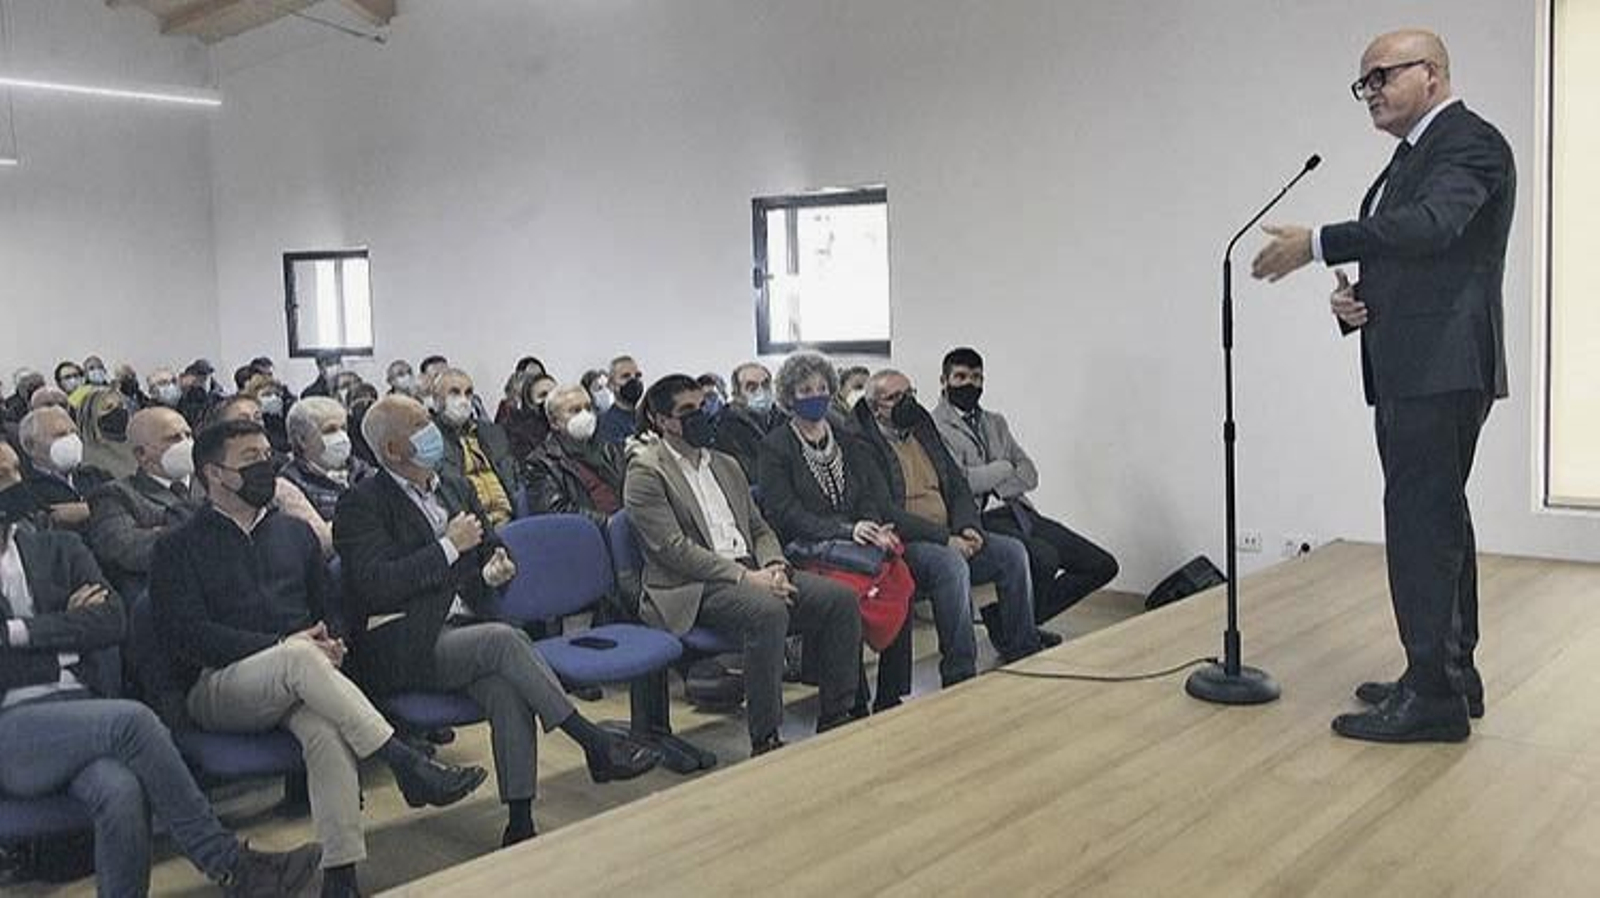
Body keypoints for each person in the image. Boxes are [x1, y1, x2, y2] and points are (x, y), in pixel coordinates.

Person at [1251, 30, 1514, 743]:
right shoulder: (1411, 159)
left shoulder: (1468, 142)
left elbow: (1432, 227)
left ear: (1431, 74)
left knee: (1421, 525)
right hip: (1415, 362)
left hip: (1441, 367)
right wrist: (1359, 301)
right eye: (1362, 83)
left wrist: (1316, 244)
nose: (1369, 92)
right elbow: (1423, 257)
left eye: (1381, 77)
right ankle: (1450, 674)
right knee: (1438, 520)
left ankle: (1434, 697)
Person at [151, 419, 488, 896]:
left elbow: (331, 604)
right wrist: (287, 646)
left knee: (326, 732)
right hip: (220, 684)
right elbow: (189, 636)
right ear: (215, 474)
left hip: (304, 680)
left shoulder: (294, 533)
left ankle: (341, 875)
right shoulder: (178, 547)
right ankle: (403, 760)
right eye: (250, 458)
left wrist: (334, 640)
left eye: (268, 453)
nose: (266, 465)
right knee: (296, 657)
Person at [0, 441, 323, 898]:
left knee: (120, 792)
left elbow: (111, 619)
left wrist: (16, 632)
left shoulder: (56, 545)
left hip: (82, 711)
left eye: (15, 471)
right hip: (13, 728)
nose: (14, 484)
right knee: (132, 721)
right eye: (1, 476)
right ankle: (231, 865)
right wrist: (65, 624)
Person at [335, 395, 659, 845]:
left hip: (468, 628)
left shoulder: (453, 485)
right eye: (419, 424)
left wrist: (494, 569)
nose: (431, 429)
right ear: (392, 450)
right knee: (505, 641)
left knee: (507, 688)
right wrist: (449, 547)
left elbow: (486, 551)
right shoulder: (361, 504)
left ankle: (520, 820)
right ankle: (592, 740)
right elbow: (377, 584)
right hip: (404, 642)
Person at [625, 375, 862, 755]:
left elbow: (758, 527)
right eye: (687, 411)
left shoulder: (726, 464)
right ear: (661, 420)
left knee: (840, 599)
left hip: (754, 569)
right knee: (767, 611)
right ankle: (765, 737)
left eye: (702, 405)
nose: (700, 415)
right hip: (692, 586)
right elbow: (672, 550)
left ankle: (837, 713)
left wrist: (775, 565)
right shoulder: (646, 472)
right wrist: (746, 577)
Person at [853, 370, 1042, 678]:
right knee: (950, 564)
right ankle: (960, 671)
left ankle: (1022, 648)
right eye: (894, 398)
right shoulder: (862, 443)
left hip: (950, 532)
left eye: (910, 393)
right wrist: (946, 539)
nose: (907, 403)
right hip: (906, 542)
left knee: (1012, 553)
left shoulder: (922, 428)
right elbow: (886, 511)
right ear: (875, 408)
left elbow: (957, 485)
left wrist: (969, 527)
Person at [758, 353, 913, 711]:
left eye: (823, 388)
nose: (816, 395)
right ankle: (853, 699)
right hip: (806, 547)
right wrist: (847, 529)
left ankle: (892, 693)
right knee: (849, 597)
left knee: (898, 577)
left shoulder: (846, 438)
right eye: (805, 389)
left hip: (854, 540)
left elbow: (867, 495)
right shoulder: (775, 446)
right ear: (789, 396)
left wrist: (874, 527)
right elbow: (786, 513)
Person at [933, 348, 1118, 631]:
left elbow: (1030, 474)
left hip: (1018, 510)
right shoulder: (936, 427)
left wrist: (994, 476)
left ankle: (1006, 622)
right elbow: (962, 482)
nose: (970, 384)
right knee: (1044, 558)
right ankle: (1019, 632)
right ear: (944, 381)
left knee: (1101, 565)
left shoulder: (995, 422)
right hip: (976, 519)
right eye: (960, 376)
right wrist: (1005, 467)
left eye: (977, 377)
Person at [85, 407, 205, 597]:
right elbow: (128, 550)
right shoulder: (115, 495)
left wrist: (163, 530)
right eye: (174, 438)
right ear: (141, 454)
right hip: (166, 594)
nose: (186, 443)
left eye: (188, 435)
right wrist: (207, 533)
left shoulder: (213, 481)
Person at [209, 396, 333, 556]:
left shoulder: (281, 482)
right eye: (243, 419)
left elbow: (320, 541)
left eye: (258, 417)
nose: (253, 423)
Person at [521, 384, 626, 528]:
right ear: (554, 422)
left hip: (625, 525)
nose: (585, 415)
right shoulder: (540, 463)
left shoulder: (607, 449)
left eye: (588, 408)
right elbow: (557, 512)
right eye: (575, 411)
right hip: (591, 535)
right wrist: (609, 523)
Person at [428, 369, 520, 527]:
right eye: (454, 393)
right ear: (436, 400)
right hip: (472, 527)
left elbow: (513, 480)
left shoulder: (493, 433)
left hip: (511, 519)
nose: (463, 400)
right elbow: (448, 492)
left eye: (468, 393)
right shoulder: (431, 440)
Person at [280, 397, 373, 524]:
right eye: (330, 430)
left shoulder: (365, 471)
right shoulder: (290, 484)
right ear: (301, 440)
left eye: (344, 428)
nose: (342, 437)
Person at [17, 407, 107, 533]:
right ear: (31, 445)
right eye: (60, 435)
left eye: (74, 432)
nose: (71, 440)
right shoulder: (23, 490)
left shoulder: (95, 475)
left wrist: (89, 510)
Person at [715, 362, 785, 485]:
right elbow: (746, 472)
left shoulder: (784, 419)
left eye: (765, 385)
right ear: (737, 395)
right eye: (751, 387)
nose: (761, 391)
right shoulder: (726, 426)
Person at [79, 387, 138, 481]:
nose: (118, 411)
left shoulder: (137, 445)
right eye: (108, 408)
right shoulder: (90, 464)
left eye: (120, 406)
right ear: (91, 416)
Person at [501, 373, 557, 462]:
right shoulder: (518, 435)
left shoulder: (568, 428)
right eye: (543, 395)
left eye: (555, 393)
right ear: (530, 403)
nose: (550, 398)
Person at [596, 356, 644, 446]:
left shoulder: (646, 418)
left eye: (637, 376)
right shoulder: (607, 424)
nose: (633, 380)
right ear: (611, 385)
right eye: (625, 376)